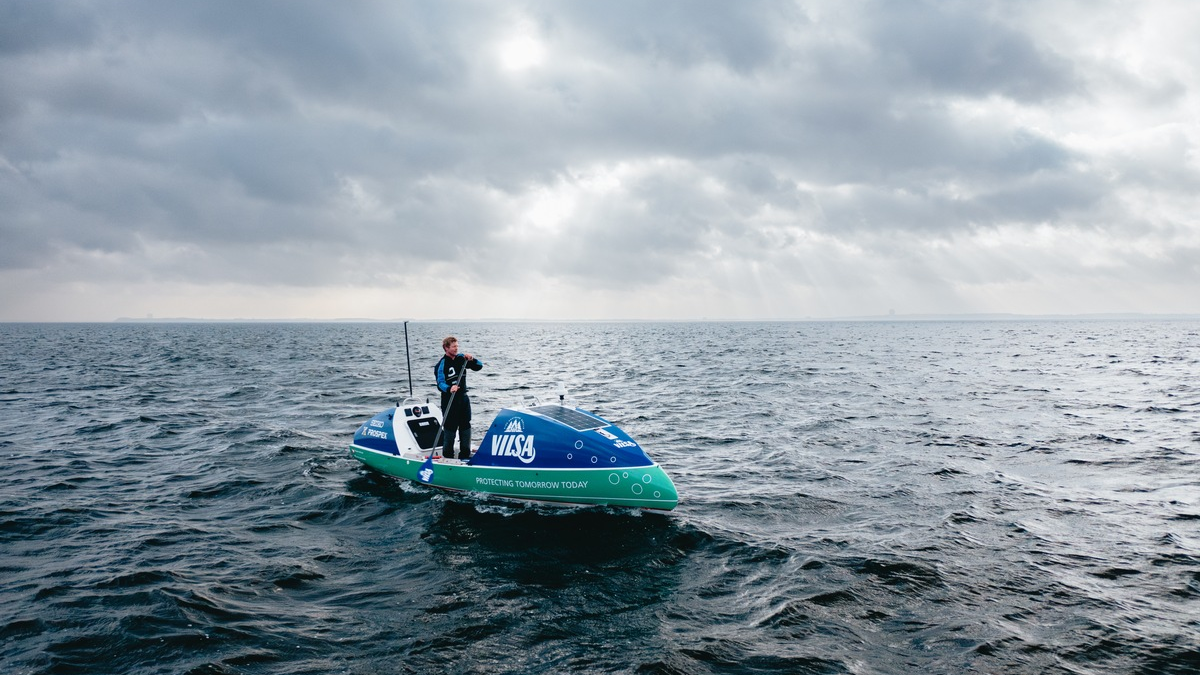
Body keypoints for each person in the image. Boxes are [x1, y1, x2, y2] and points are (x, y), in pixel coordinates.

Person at [433, 336, 483, 460]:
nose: (456, 349)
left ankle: (465, 456)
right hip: (450, 400)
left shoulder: (462, 358)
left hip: (463, 399)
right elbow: (440, 383)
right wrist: (449, 388)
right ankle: (448, 457)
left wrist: (472, 359)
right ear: (446, 348)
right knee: (450, 429)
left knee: (466, 426)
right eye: (453, 346)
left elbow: (479, 366)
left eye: (457, 346)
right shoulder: (441, 364)